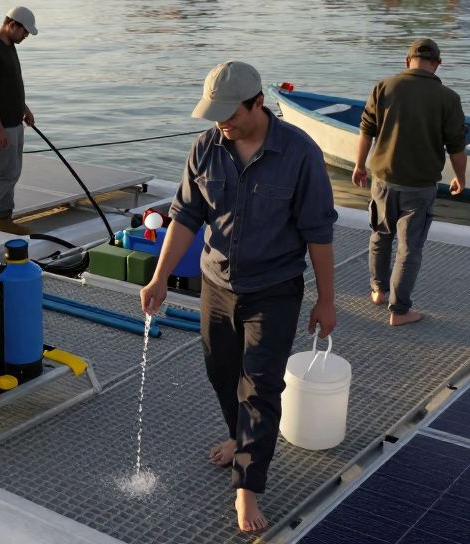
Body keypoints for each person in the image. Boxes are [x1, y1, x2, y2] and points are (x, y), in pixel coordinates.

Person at [139, 61, 337, 534]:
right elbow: (185, 216)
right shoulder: (206, 148)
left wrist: (327, 301)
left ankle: (247, 487)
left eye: (229, 112)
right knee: (221, 371)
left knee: (261, 386)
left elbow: (319, 232)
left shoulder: (300, 153)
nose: (221, 122)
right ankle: (237, 436)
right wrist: (160, 277)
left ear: (258, 103)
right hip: (216, 285)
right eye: (214, 113)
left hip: (274, 289)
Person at [352, 38, 467, 327]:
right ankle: (400, 311)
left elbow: (366, 130)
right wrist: (460, 178)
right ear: (438, 64)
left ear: (407, 60)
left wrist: (359, 165)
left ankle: (379, 291)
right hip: (420, 186)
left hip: (382, 180)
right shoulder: (448, 98)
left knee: (380, 235)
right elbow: (456, 146)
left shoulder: (384, 87)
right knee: (409, 248)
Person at [0, 6, 38, 235]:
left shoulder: (9, 46)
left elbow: (11, 84)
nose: (26, 37)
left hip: (14, 120)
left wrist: (24, 109)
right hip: (1, 124)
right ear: (12, 24)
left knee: (13, 170)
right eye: (25, 32)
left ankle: (4, 219)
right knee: (4, 172)